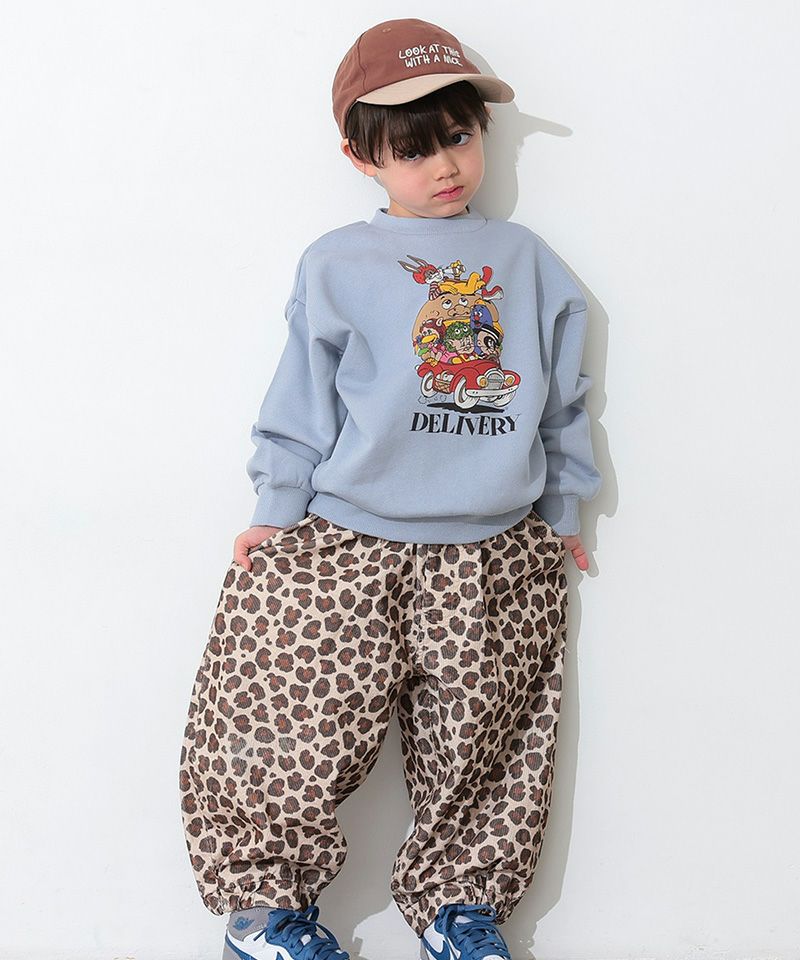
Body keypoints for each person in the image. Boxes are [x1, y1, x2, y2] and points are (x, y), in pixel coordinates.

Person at [178, 17, 602, 960]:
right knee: (287, 717)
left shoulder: (527, 262)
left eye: (459, 136)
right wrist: (276, 508)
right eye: (412, 150)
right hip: (349, 540)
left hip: (494, 549)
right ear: (360, 157)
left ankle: (461, 911)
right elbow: (301, 398)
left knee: (485, 738)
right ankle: (263, 915)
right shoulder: (337, 263)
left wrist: (563, 509)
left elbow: (562, 399)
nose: (445, 166)